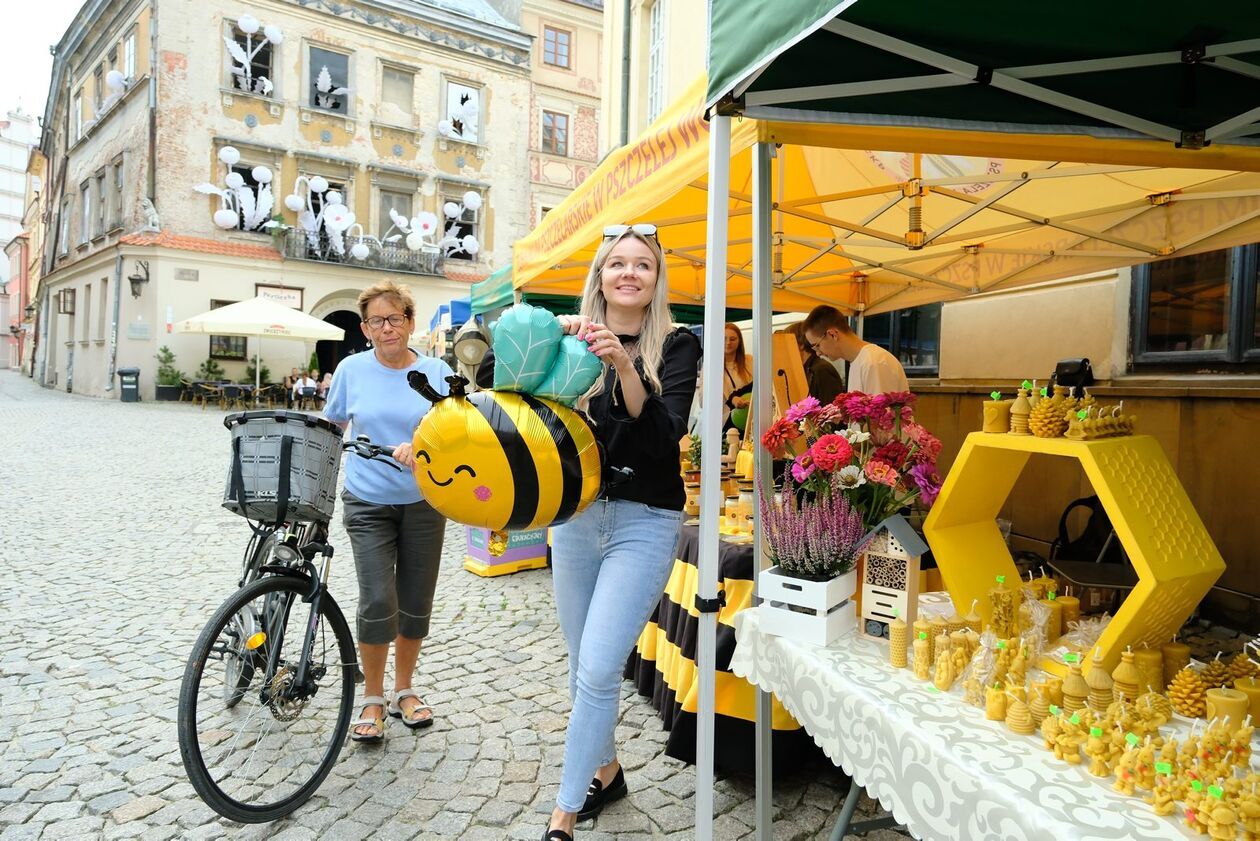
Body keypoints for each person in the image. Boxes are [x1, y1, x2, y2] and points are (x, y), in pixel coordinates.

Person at [485, 224, 699, 841]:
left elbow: (664, 437)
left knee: (601, 668)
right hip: (576, 518)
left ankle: (564, 813)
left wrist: (627, 367)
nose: (630, 274)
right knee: (584, 663)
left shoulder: (678, 344)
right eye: (618, 264)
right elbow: (508, 411)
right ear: (600, 275)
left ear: (656, 282)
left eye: (644, 266)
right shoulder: (561, 338)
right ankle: (606, 770)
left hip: (645, 520)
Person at [323, 281, 452, 744]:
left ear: (410, 323)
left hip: (425, 500)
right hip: (367, 498)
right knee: (379, 597)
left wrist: (423, 441)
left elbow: (458, 428)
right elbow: (332, 427)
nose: (386, 328)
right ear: (365, 328)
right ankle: (373, 698)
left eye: (395, 318)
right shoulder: (351, 371)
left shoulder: (436, 371)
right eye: (376, 321)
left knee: (415, 599)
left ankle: (405, 690)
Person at [802, 305, 908, 394]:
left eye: (817, 345)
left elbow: (881, 416)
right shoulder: (858, 361)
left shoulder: (874, 362)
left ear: (832, 334)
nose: (818, 353)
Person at [786, 321, 844, 404]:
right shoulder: (808, 368)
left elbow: (831, 408)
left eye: (788, 343)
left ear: (801, 344)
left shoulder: (821, 369)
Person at [720, 322, 753, 431]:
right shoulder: (712, 366)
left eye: (733, 339)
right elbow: (703, 401)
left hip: (749, 420)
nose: (728, 343)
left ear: (739, 341)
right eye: (724, 338)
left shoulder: (750, 361)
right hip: (723, 422)